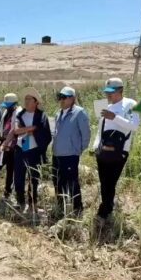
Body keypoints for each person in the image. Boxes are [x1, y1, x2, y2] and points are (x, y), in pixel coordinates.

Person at [93, 77, 140, 230]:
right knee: (104, 182)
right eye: (107, 92)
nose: (109, 95)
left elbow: (134, 126)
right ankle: (107, 207)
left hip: (119, 151)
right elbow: (100, 129)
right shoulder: (106, 106)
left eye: (111, 92)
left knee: (110, 182)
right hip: (103, 150)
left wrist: (115, 117)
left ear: (120, 90)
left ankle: (104, 212)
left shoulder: (130, 104)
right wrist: (95, 146)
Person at [7, 88, 52, 212]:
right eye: (25, 99)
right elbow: (16, 130)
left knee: (34, 178)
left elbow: (46, 134)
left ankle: (33, 202)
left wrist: (31, 131)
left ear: (36, 102)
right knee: (19, 177)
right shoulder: (20, 114)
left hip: (35, 151)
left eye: (29, 99)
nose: (26, 101)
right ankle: (20, 200)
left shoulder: (41, 115)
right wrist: (31, 128)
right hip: (21, 149)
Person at [51, 87, 91, 217]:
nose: (61, 100)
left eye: (65, 97)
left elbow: (86, 134)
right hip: (57, 154)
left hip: (70, 155)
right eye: (60, 97)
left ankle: (77, 209)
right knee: (57, 181)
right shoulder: (58, 113)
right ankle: (60, 207)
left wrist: (78, 149)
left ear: (73, 98)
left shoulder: (79, 113)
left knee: (72, 182)